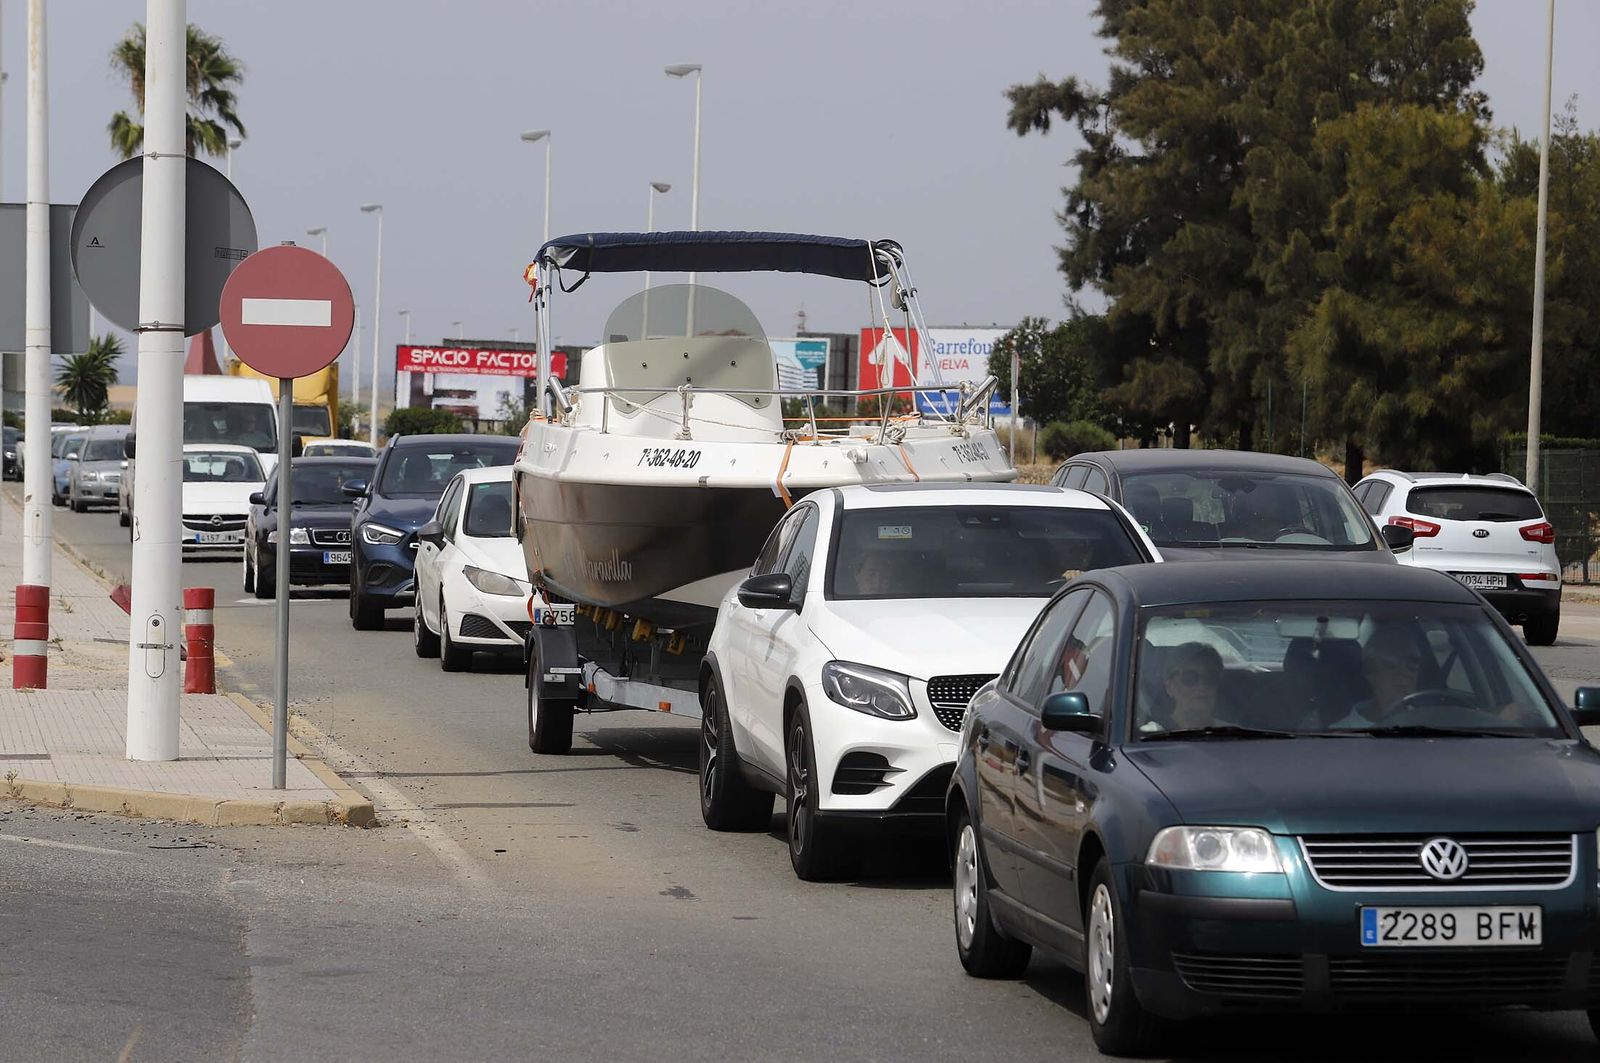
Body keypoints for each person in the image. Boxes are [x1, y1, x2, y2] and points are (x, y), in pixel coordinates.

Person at [1142, 642, 1224, 731]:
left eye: (1210, 678)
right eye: (1190, 678)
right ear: (1169, 687)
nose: (1202, 685)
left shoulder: (1236, 736)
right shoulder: (1150, 736)